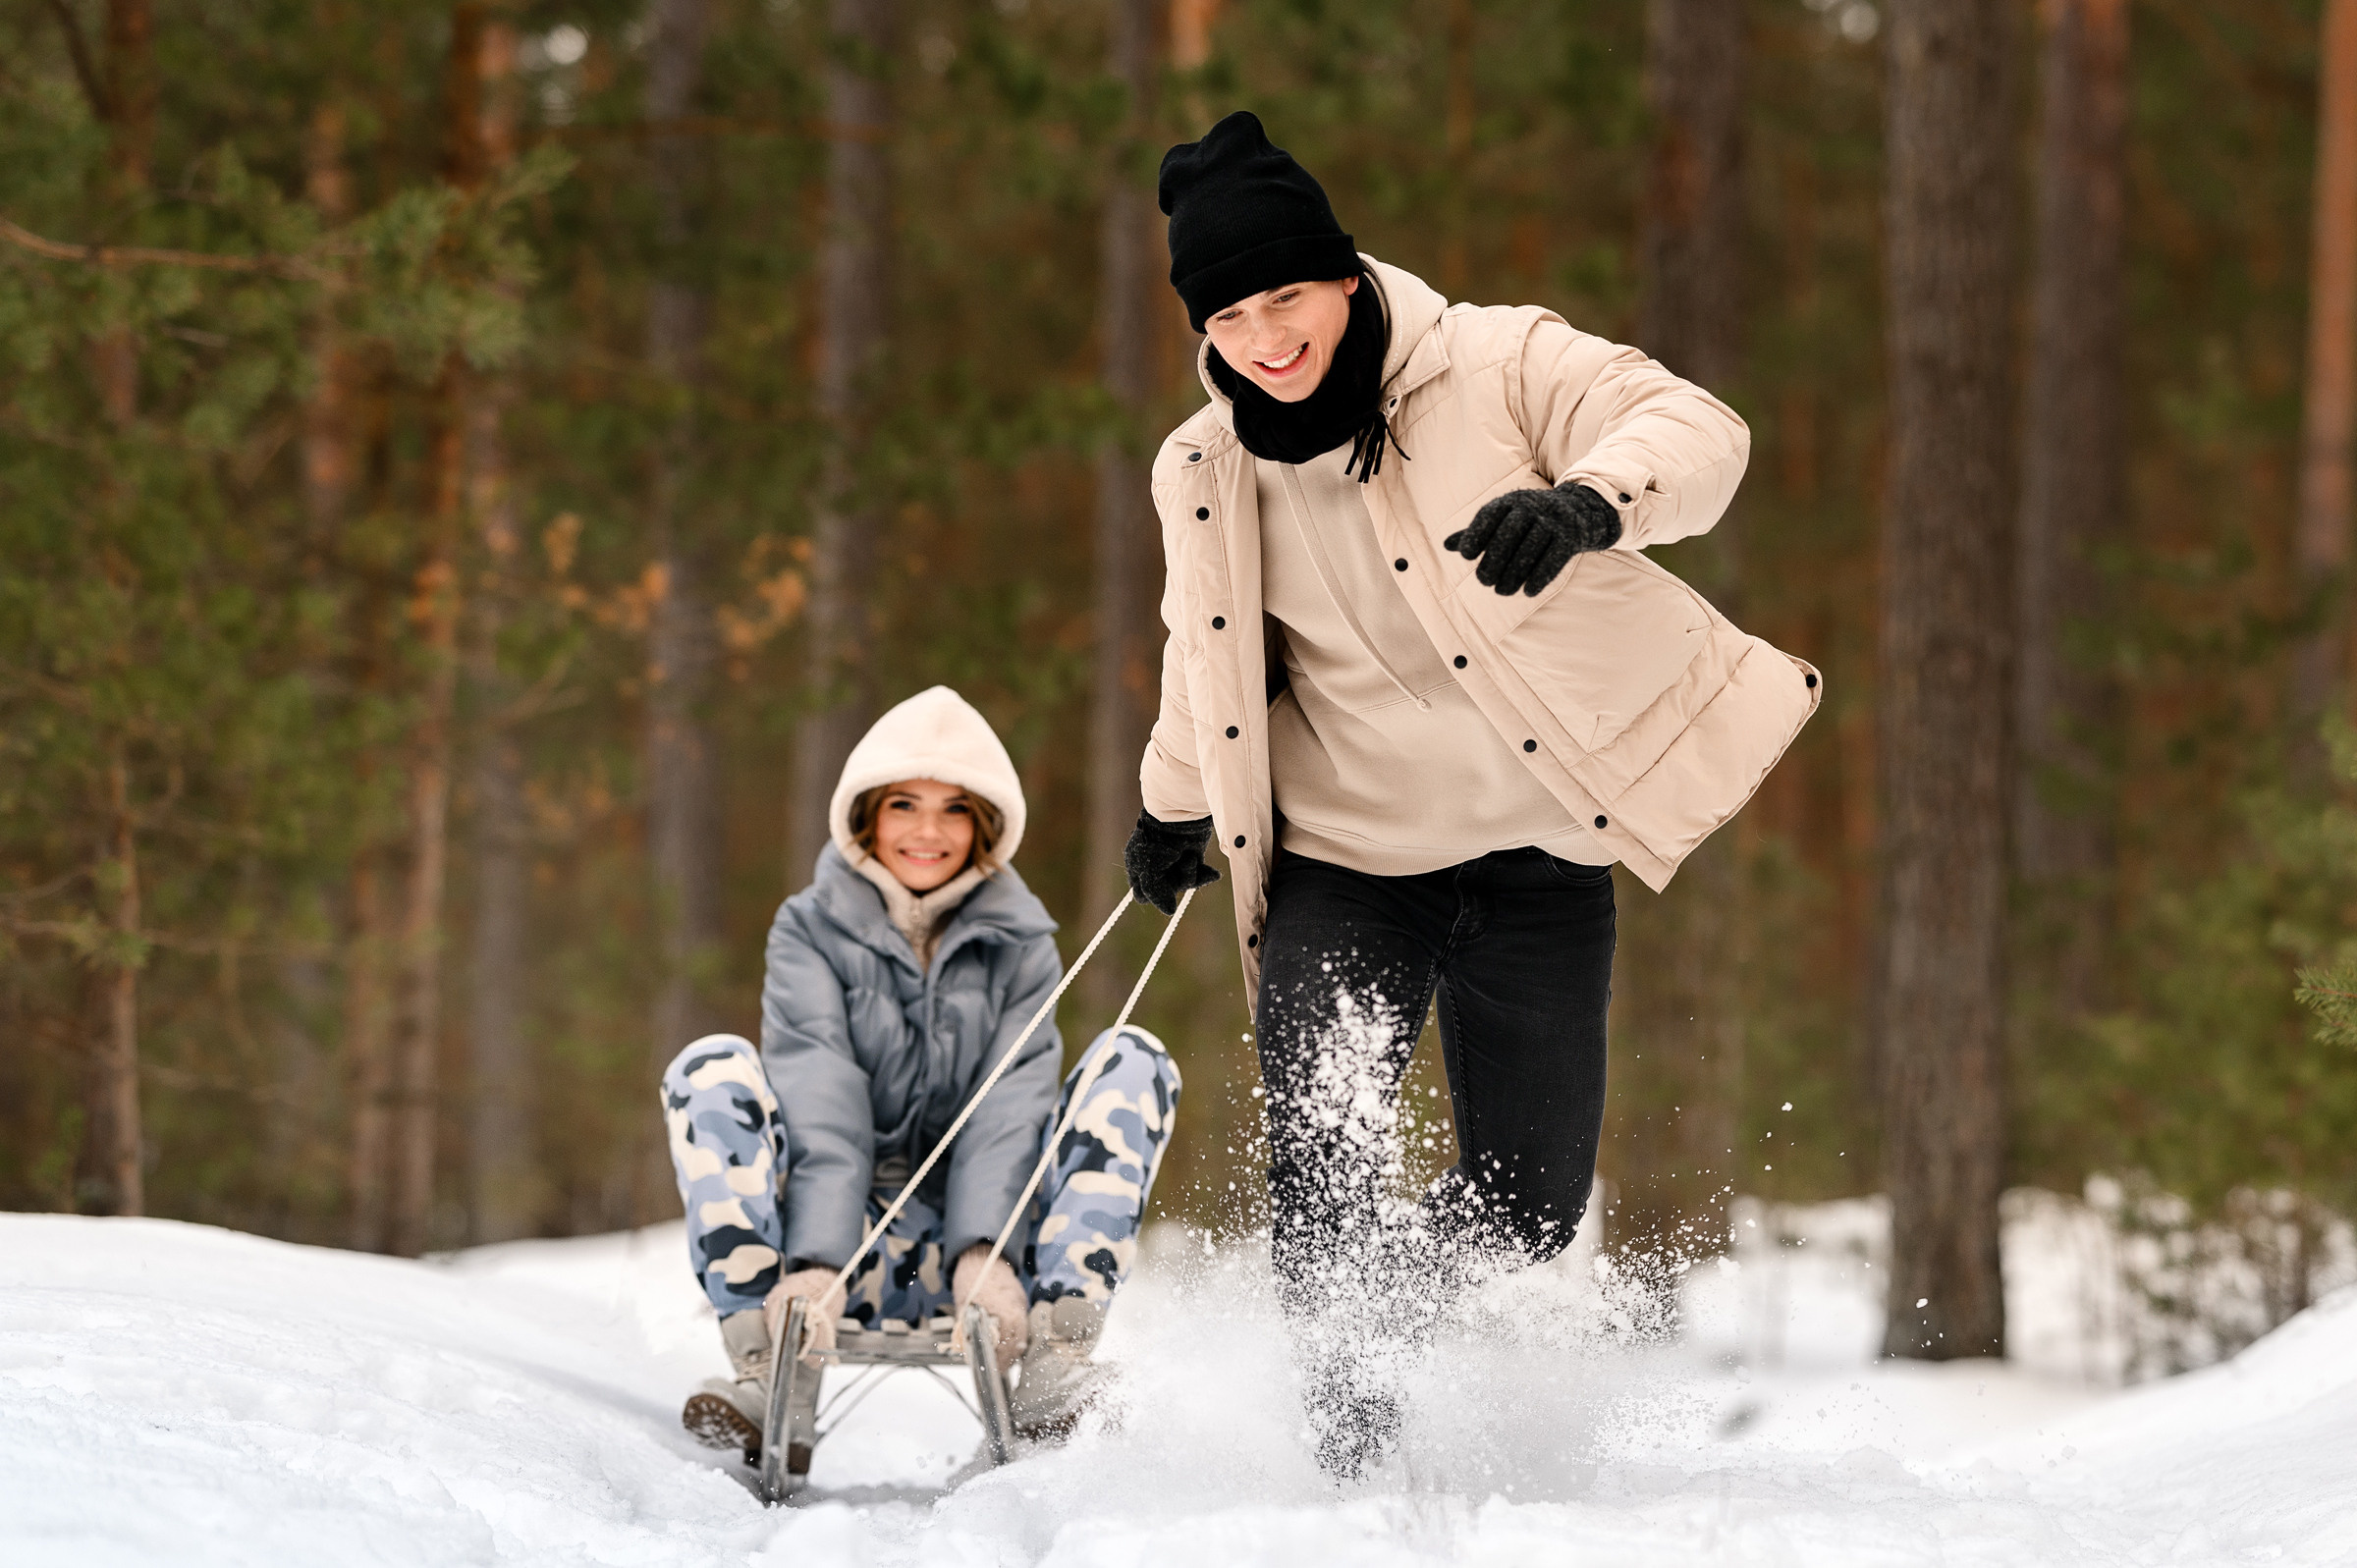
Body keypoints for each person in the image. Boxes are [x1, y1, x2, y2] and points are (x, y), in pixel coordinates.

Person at [1122, 112, 1820, 1478]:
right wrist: (1171, 803)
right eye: (1229, 317)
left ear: (1343, 275)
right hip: (1344, 863)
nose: (1264, 338)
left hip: (1538, 861)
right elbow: (1202, 649)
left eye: (1285, 296)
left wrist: (1592, 502)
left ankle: (1388, 1318)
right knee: (1325, 1163)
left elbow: (1699, 428)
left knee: (1527, 1207)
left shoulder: (1496, 363)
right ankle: (1347, 1461)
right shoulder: (1202, 468)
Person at [662, 685, 1181, 1459]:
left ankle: (1055, 1361)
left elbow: (1011, 1104)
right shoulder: (808, 929)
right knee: (710, 1069)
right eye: (904, 804)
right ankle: (768, 1367)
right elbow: (821, 1090)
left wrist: (985, 1253)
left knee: (1131, 1059)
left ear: (985, 824)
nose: (928, 830)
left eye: (954, 809)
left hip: (993, 1259)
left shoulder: (1022, 944)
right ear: (867, 815)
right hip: (836, 1251)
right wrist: (817, 1267)